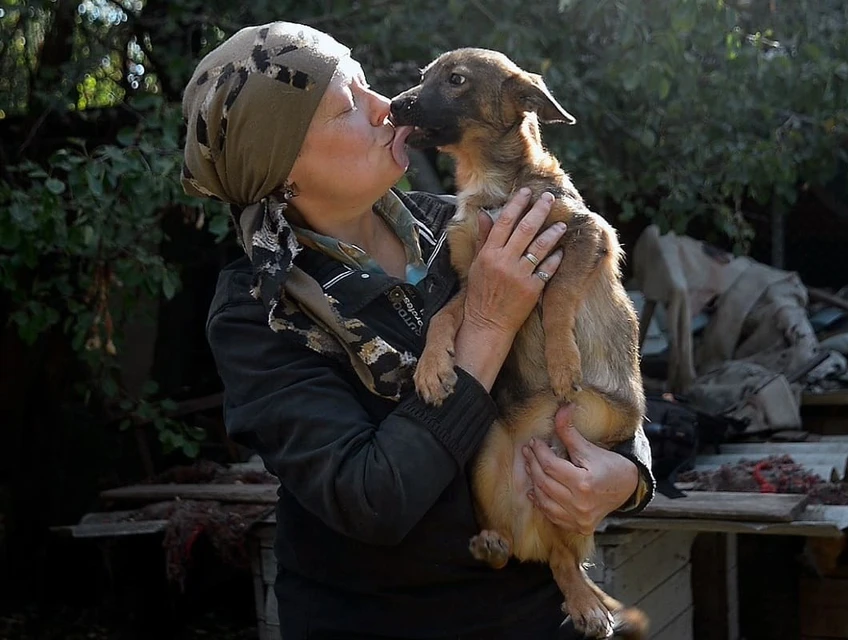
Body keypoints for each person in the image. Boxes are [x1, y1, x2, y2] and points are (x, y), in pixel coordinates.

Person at [182, 21, 655, 640]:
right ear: (281, 164)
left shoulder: (459, 224)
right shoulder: (258, 310)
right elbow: (371, 499)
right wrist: (485, 321)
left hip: (535, 617)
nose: (387, 107)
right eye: (348, 106)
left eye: (368, 88)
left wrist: (626, 478)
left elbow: (602, 357)